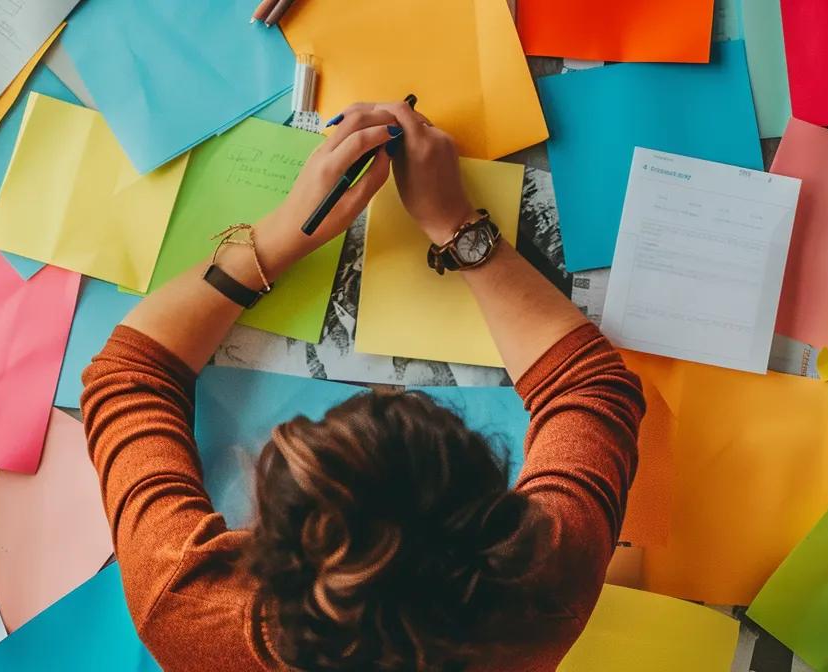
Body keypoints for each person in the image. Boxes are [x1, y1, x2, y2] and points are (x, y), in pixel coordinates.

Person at [80, 101, 646, 671]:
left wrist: (277, 239)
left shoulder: (190, 616)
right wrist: (458, 227)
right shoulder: (539, 601)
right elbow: (588, 389)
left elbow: (131, 376)